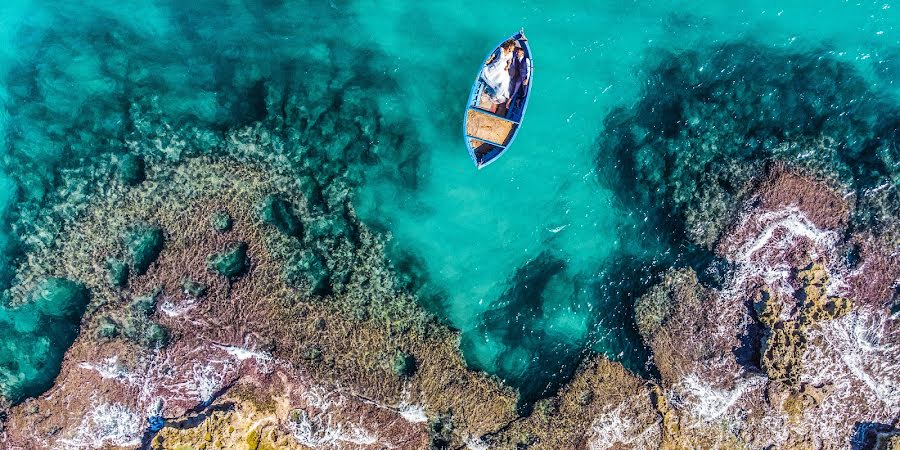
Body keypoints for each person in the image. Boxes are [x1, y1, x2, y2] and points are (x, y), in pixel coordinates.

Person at [480, 39, 517, 104]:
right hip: (496, 66)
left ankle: (495, 95)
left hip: (503, 68)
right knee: (488, 75)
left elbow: (510, 61)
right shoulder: (500, 49)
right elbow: (493, 55)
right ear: (509, 46)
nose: (513, 49)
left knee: (506, 80)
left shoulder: (511, 53)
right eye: (513, 47)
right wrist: (488, 61)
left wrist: (508, 66)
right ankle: (489, 90)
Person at [505, 45, 531, 121]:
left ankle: (518, 100)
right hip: (518, 77)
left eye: (518, 52)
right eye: (516, 52)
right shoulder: (515, 59)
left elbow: (529, 71)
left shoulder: (526, 60)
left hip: (524, 77)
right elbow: (513, 67)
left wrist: (527, 79)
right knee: (515, 88)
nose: (516, 53)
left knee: (524, 93)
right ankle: (509, 102)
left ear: (522, 53)